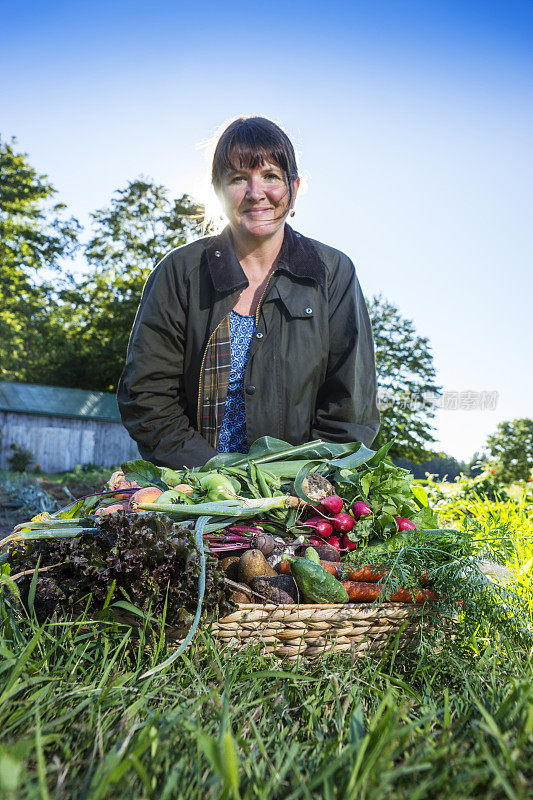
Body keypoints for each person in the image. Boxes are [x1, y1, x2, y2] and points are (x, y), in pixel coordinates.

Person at [117, 116, 380, 468]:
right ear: (217, 190)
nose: (256, 193)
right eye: (239, 178)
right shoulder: (180, 272)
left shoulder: (332, 274)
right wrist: (213, 479)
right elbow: (147, 397)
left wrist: (295, 483)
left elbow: (350, 409)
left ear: (294, 187)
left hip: (297, 497)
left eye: (270, 176)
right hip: (193, 488)